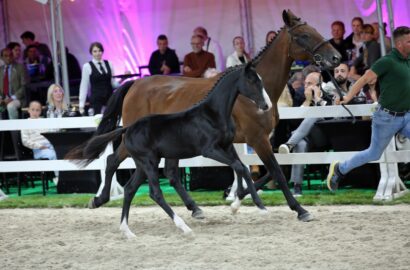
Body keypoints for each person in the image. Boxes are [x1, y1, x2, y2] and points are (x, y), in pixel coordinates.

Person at [327, 26, 410, 192]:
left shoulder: (407, 61)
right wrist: (347, 97)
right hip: (387, 117)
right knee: (374, 153)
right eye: (409, 41)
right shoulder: (387, 62)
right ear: (400, 43)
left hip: (407, 116)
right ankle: (340, 169)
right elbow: (364, 79)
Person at [278, 71, 331, 196]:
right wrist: (307, 102)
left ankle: (289, 144)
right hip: (305, 138)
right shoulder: (300, 97)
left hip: (322, 136)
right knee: (300, 145)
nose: (306, 86)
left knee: (314, 115)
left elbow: (331, 117)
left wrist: (317, 99)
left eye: (310, 84)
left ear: (319, 85)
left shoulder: (327, 96)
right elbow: (293, 121)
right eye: (305, 83)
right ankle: (297, 186)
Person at [21, 100, 58, 184]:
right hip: (38, 149)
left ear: (40, 111)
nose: (35, 112)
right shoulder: (24, 124)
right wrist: (39, 146)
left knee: (61, 151)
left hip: (50, 145)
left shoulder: (43, 121)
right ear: (28, 110)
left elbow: (51, 133)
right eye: (33, 109)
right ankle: (57, 177)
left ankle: (67, 177)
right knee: (52, 154)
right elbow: (25, 141)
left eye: (37, 110)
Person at [79, 42, 118, 115]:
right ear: (91, 52)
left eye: (99, 51)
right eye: (95, 51)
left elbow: (113, 82)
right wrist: (81, 105)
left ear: (102, 51)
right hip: (96, 101)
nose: (98, 53)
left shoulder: (109, 63)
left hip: (109, 98)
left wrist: (122, 82)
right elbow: (84, 86)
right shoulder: (87, 66)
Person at [0, 48, 28, 119]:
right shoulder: (0, 70)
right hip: (3, 99)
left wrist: (12, 98)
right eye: (5, 56)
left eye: (10, 55)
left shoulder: (20, 67)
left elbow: (24, 85)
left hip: (18, 98)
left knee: (11, 106)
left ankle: (14, 129)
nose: (8, 58)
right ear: (1, 58)